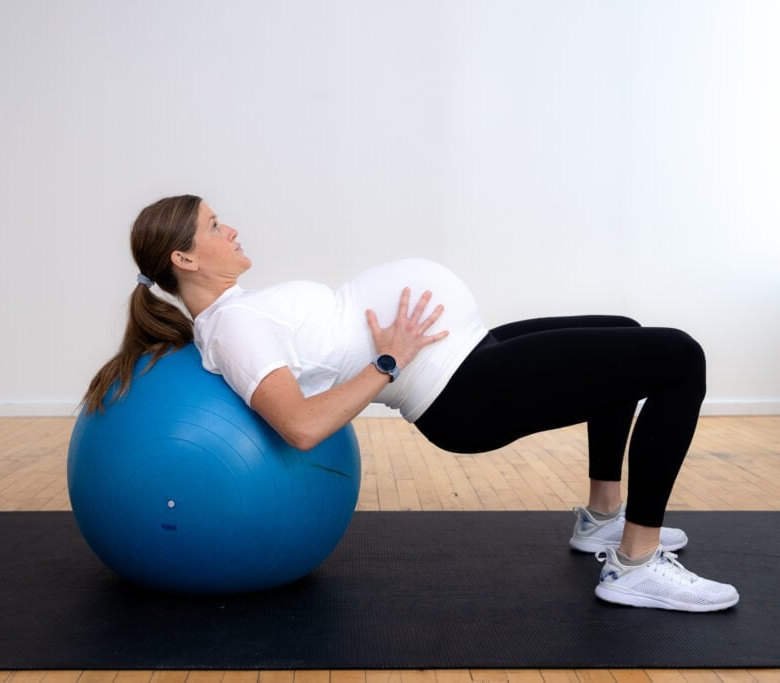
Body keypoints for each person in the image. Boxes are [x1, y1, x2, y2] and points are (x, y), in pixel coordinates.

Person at [84, 194, 740, 613]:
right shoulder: (231, 329)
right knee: (679, 357)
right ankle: (636, 563)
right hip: (463, 392)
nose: (232, 228)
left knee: (622, 333)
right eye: (214, 225)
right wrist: (388, 360)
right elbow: (302, 426)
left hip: (467, 353)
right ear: (184, 257)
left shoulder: (236, 312)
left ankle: (602, 518)